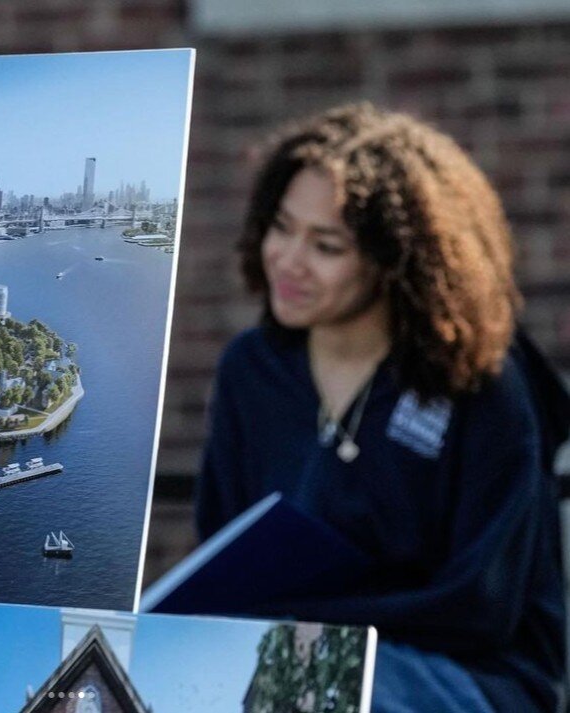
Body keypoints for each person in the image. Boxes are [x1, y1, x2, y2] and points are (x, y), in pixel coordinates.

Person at [195, 103, 568, 712]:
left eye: (326, 245)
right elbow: (223, 556)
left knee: (293, 686)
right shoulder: (252, 369)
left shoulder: (483, 385)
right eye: (281, 227)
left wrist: (309, 629)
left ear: (396, 260)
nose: (289, 260)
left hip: (468, 673)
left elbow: (480, 607)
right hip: (289, 658)